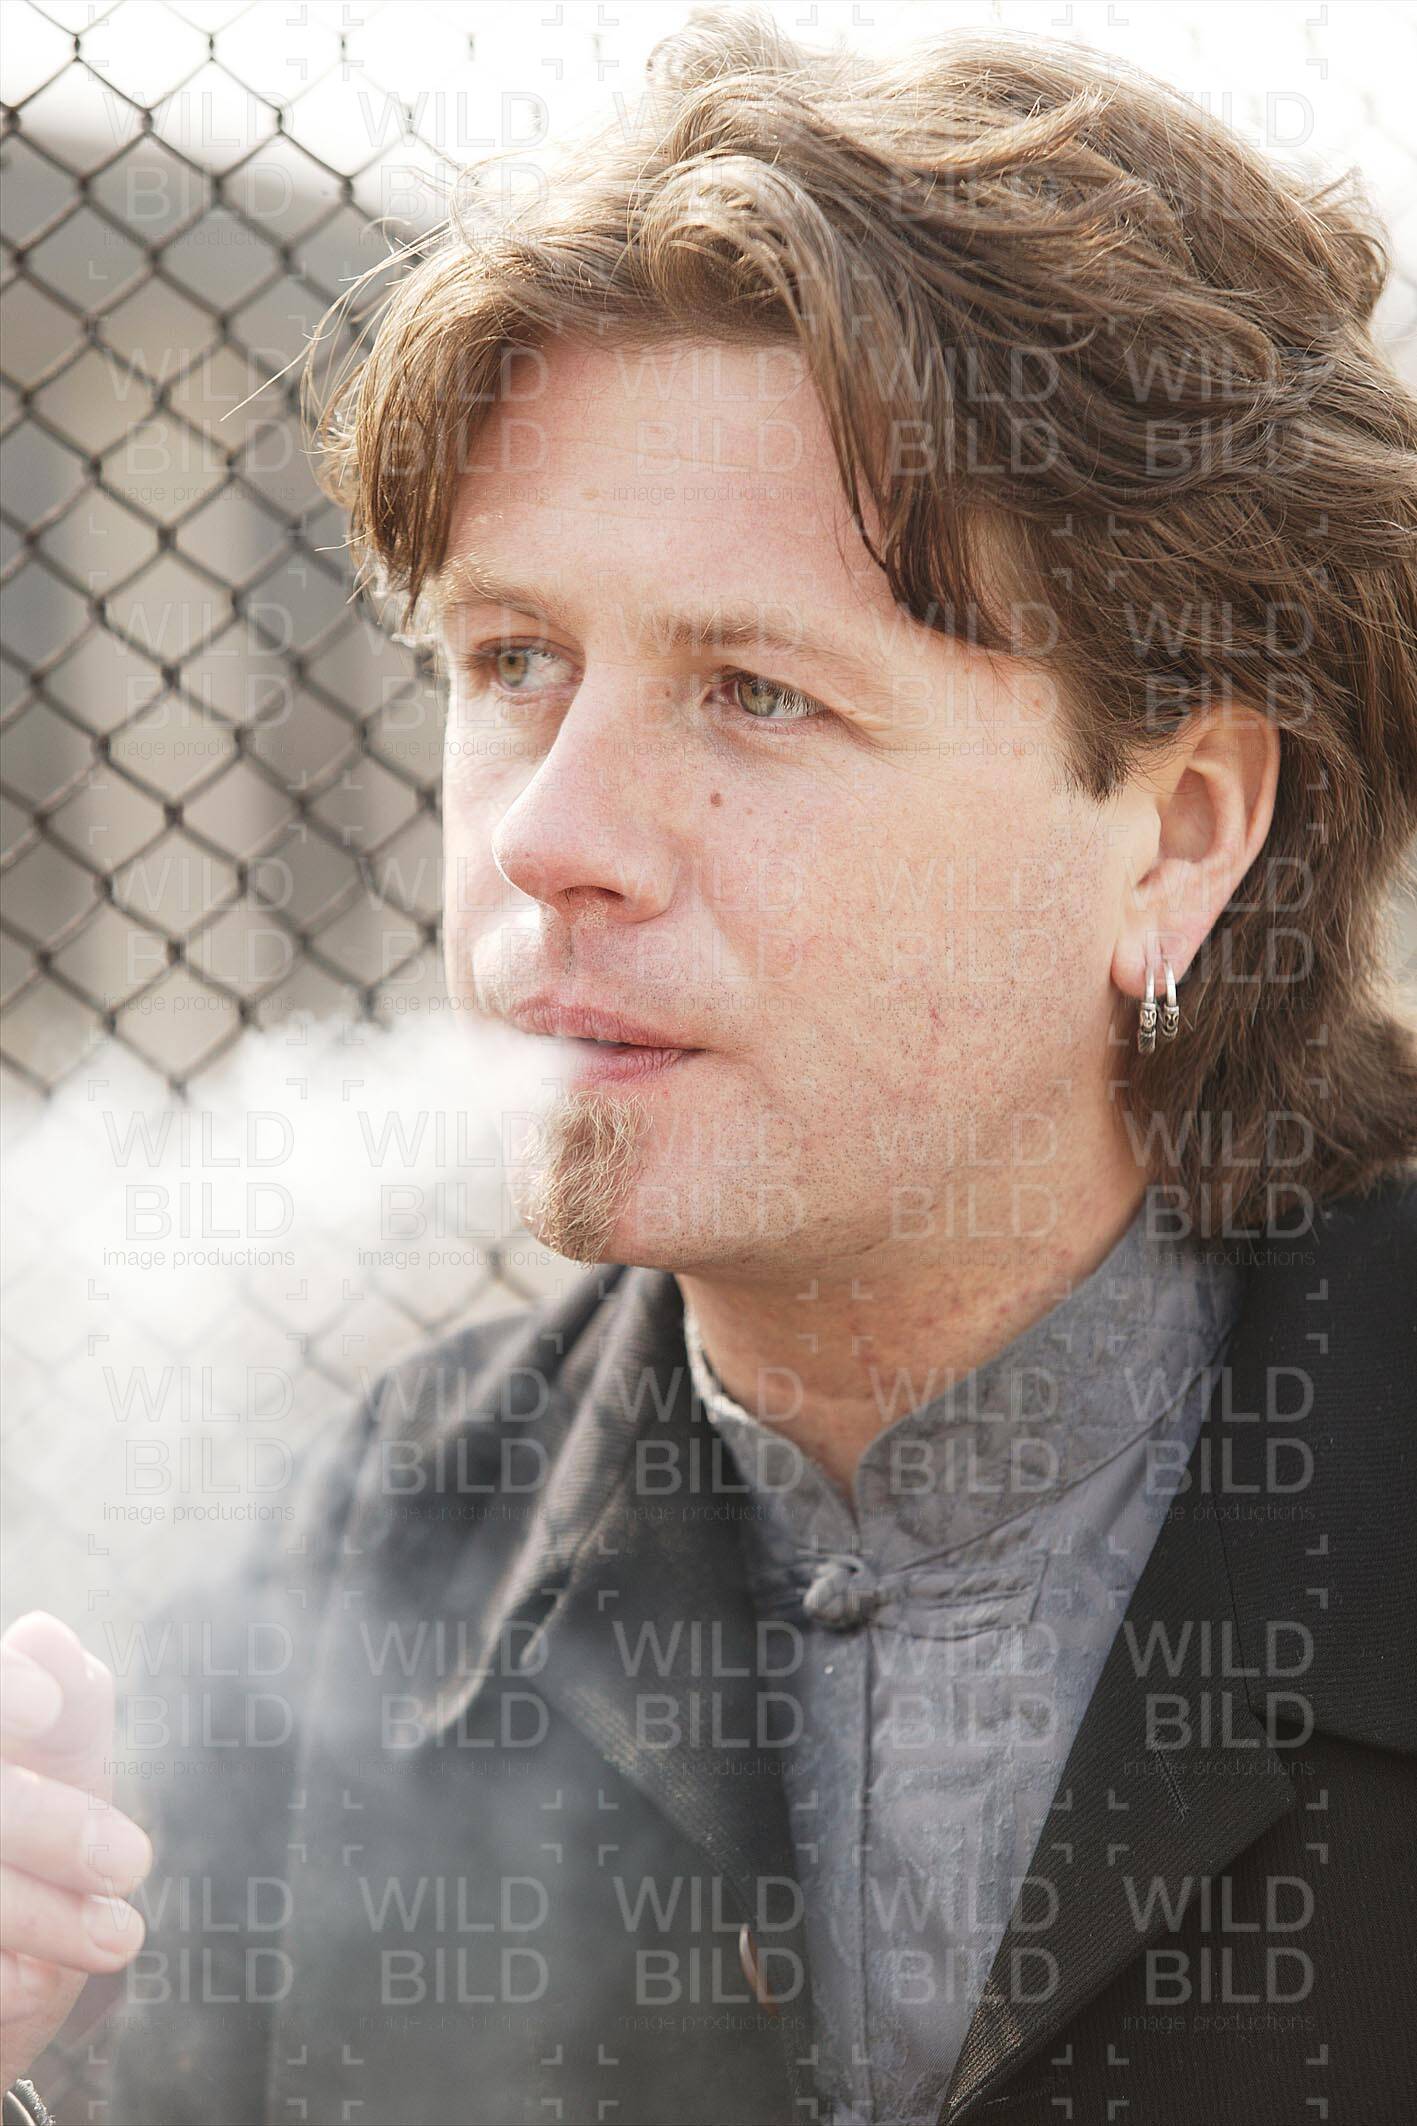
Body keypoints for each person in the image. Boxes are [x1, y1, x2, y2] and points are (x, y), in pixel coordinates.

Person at [4, 13, 1416, 2123]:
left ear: (1180, 833)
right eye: (512, 662)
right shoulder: (363, 1565)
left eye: (753, 692)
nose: (550, 834)